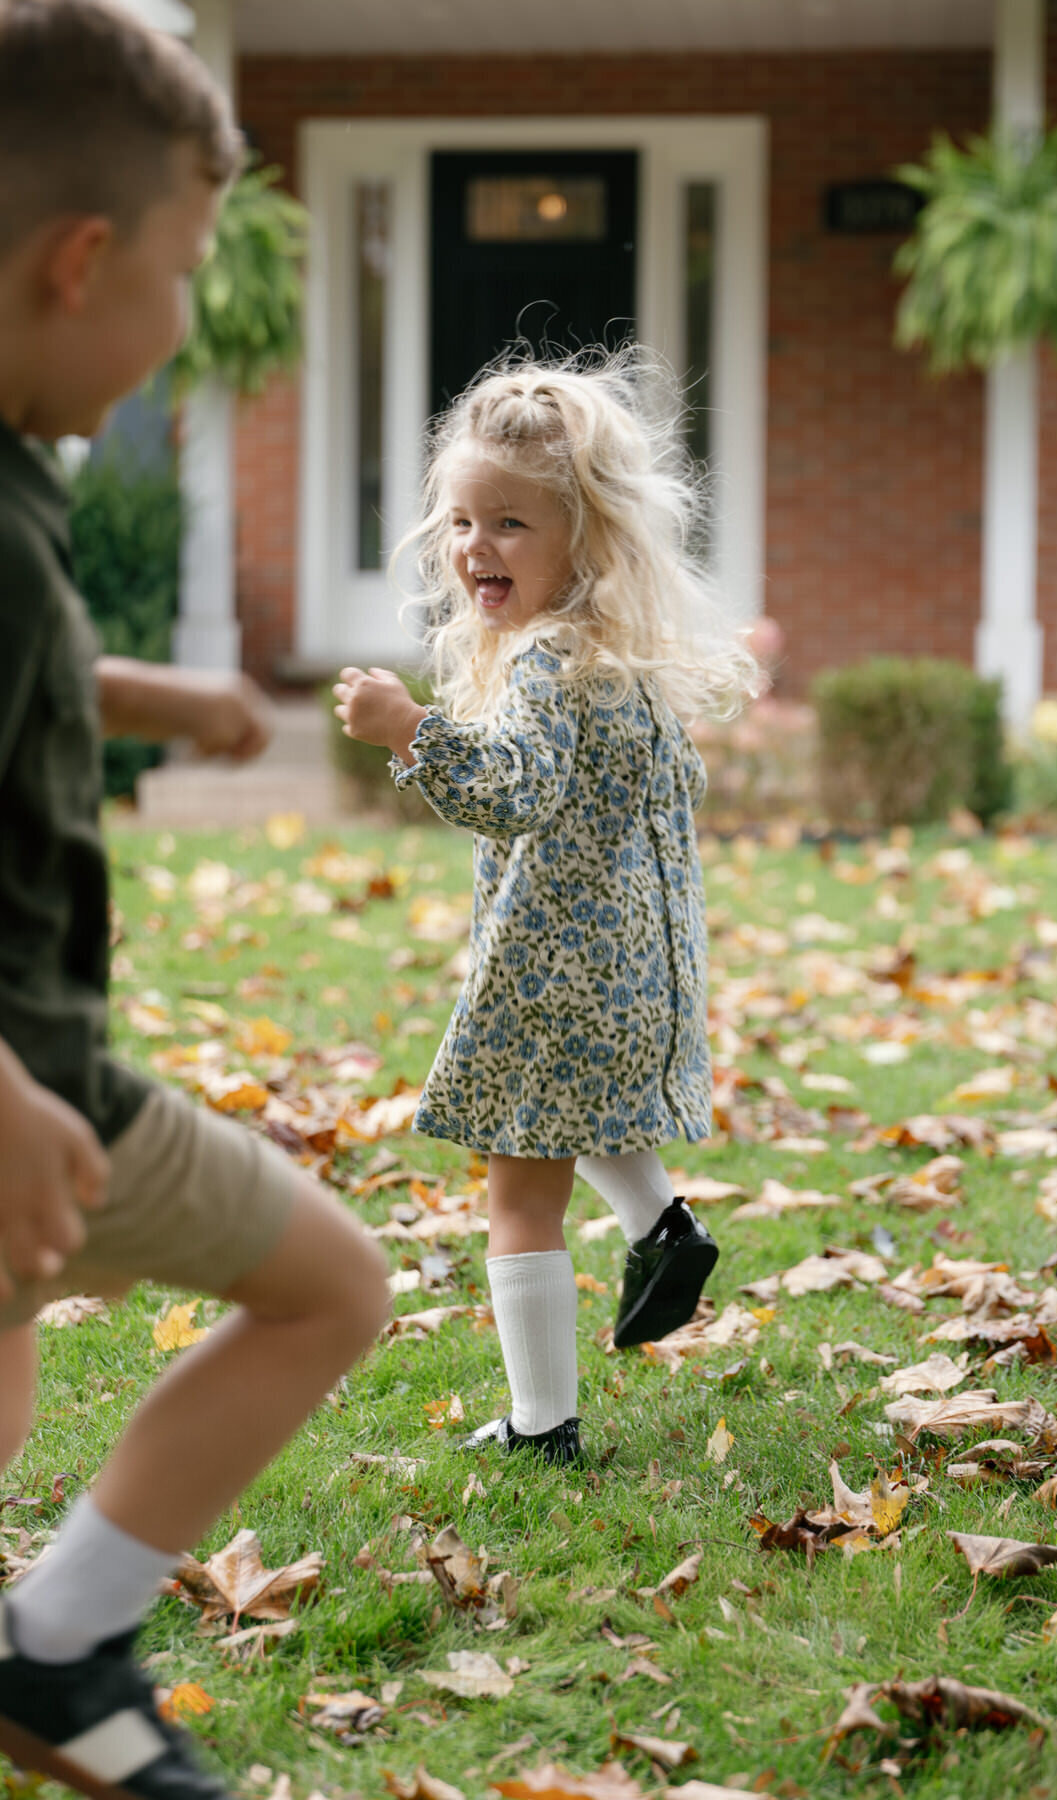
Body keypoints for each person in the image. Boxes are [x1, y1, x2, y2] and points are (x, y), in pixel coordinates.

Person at [0, 5, 391, 1796]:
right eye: (188, 270)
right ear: (83, 262)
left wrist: (152, 695)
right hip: (31, 1084)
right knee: (331, 1286)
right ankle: (64, 1642)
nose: (186, 327)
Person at [334, 353, 760, 1469]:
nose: (478, 546)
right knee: (578, 1116)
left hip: (551, 975)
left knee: (519, 1198)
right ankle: (663, 1231)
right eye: (464, 521)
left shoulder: (542, 664)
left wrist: (407, 730)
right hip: (634, 974)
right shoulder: (622, 663)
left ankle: (542, 1428)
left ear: (586, 537)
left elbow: (514, 792)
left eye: (513, 523)